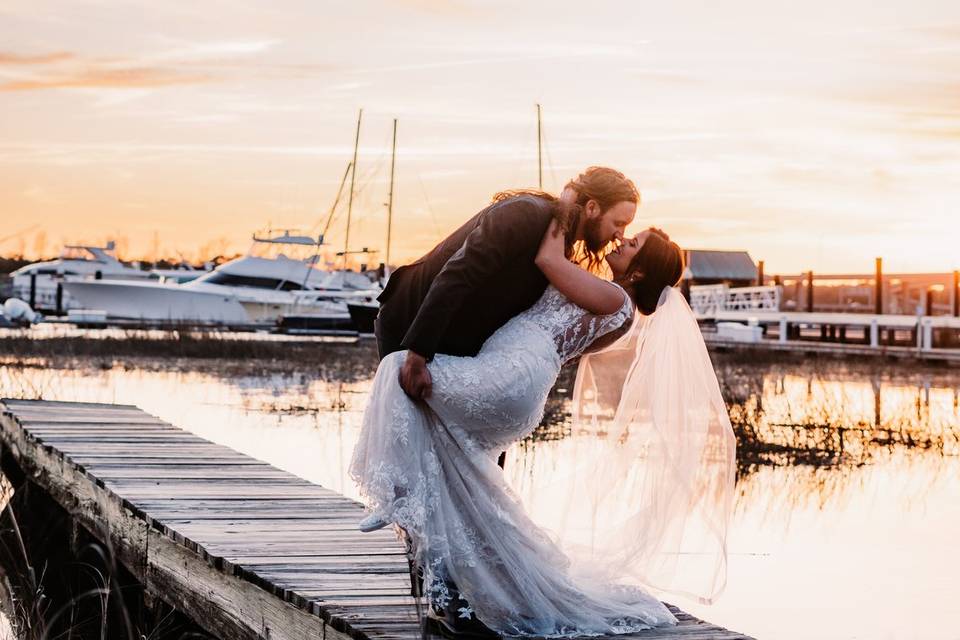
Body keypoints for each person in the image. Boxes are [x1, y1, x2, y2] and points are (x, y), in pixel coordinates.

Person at [350, 218, 737, 637]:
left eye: (633, 241)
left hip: (512, 372)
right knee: (460, 468)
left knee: (396, 368)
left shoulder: (613, 298)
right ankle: (457, 572)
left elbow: (547, 258)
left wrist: (561, 212)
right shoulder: (611, 303)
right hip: (516, 372)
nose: (622, 239)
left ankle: (392, 496)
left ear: (640, 270)